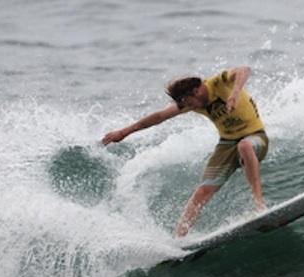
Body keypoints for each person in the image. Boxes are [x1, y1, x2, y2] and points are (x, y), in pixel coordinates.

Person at [101, 66, 268, 237]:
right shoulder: (190, 103)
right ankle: (178, 238)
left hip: (255, 137)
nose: (189, 107)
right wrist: (123, 133)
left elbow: (244, 69)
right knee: (201, 192)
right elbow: (159, 117)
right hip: (227, 144)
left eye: (188, 103)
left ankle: (259, 206)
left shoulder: (217, 83)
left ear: (196, 91)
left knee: (244, 146)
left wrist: (235, 91)